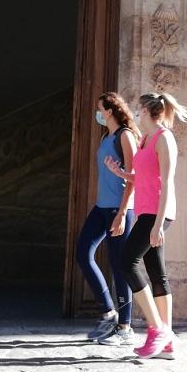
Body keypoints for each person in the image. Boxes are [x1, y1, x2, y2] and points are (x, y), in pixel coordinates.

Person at [105, 91, 187, 360]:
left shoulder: (165, 139)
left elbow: (167, 183)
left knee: (127, 260)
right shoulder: (144, 140)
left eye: (138, 109)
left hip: (158, 213)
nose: (135, 112)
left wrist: (157, 226)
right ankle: (167, 344)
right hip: (146, 212)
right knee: (156, 272)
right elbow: (143, 175)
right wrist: (121, 173)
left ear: (147, 110)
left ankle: (157, 329)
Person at [76, 92, 139, 345]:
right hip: (101, 207)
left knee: (119, 266)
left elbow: (133, 178)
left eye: (100, 109)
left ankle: (125, 327)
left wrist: (123, 213)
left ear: (110, 111)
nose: (98, 114)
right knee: (83, 253)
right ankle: (108, 311)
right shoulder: (106, 136)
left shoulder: (125, 136)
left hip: (118, 209)